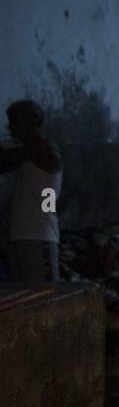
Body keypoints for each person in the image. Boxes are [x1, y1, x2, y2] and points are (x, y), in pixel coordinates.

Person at [1, 99, 64, 282]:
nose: (10, 127)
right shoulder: (30, 154)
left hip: (38, 237)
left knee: (45, 301)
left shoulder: (46, 150)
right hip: (24, 237)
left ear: (30, 122)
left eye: (14, 122)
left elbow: (4, 159)